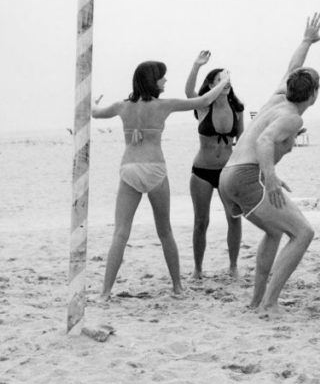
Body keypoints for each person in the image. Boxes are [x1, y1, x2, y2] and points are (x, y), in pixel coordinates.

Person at [92, 62, 231, 299]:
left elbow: (94, 113)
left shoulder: (121, 106)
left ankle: (105, 292)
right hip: (155, 168)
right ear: (152, 80)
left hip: (130, 168)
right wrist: (224, 82)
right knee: (165, 231)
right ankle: (177, 287)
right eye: (162, 78)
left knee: (120, 233)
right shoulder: (164, 105)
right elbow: (203, 101)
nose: (165, 81)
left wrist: (94, 102)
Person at [219, 14, 320, 312]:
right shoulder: (293, 116)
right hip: (246, 176)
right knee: (303, 233)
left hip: (228, 176)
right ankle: (270, 302)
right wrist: (271, 176)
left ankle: (257, 301)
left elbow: (292, 68)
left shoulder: (279, 96)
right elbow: (265, 141)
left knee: (275, 231)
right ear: (314, 94)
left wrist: (306, 40)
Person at [184, 51, 246, 279]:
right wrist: (196, 65)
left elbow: (243, 141)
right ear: (211, 85)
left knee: (234, 217)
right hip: (201, 171)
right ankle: (198, 269)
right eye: (220, 80)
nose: (225, 84)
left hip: (227, 172)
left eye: (227, 80)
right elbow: (188, 92)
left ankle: (233, 266)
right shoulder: (203, 106)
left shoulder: (237, 109)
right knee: (201, 221)